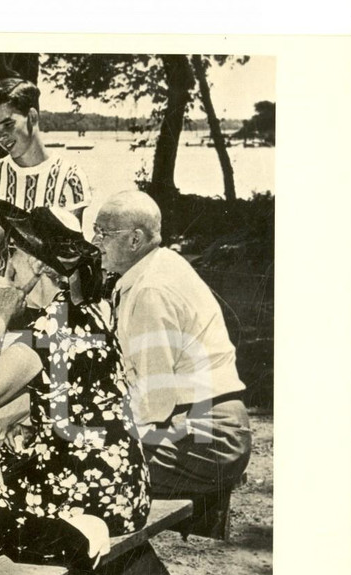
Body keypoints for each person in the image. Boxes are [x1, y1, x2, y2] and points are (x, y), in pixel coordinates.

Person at [0, 206, 204, 575]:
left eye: (12, 254)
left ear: (38, 269)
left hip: (90, 494)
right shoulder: (93, 309)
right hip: (124, 482)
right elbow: (72, 391)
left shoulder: (44, 333)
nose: (6, 263)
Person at [94, 189, 252, 536]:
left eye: (103, 233)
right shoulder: (157, 266)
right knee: (90, 472)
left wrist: (93, 427)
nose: (96, 242)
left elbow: (153, 403)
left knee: (92, 476)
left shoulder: (152, 290)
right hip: (199, 428)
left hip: (210, 438)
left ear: (135, 239)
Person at [0, 78, 92, 327]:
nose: (1, 136)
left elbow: (69, 260)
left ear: (32, 117)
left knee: (51, 367)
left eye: (8, 124)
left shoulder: (69, 178)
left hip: (47, 306)